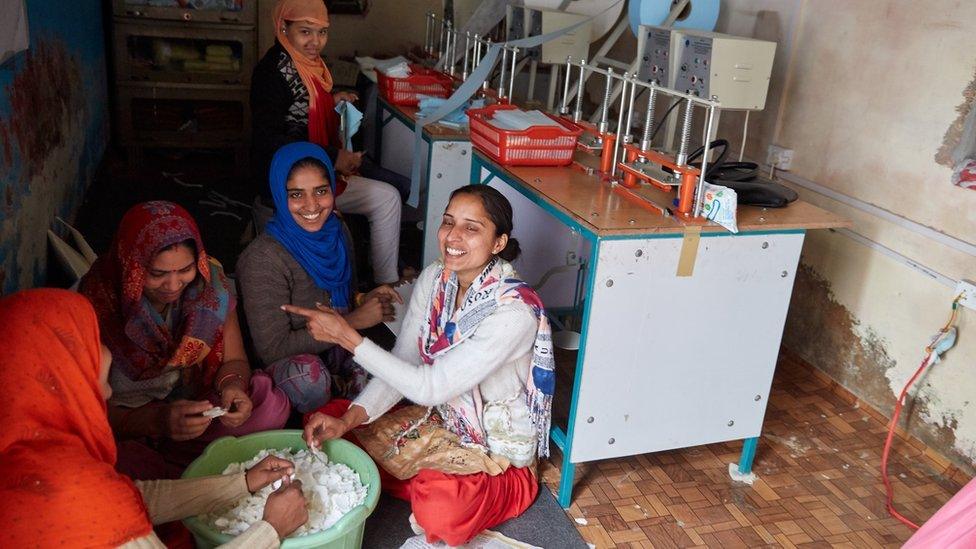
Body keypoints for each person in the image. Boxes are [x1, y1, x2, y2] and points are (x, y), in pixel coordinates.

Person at [289, 185, 555, 546]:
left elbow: (430, 387)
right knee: (328, 422)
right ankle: (421, 480)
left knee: (440, 510)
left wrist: (347, 337)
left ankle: (430, 486)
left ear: (498, 243)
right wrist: (348, 419)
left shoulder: (513, 311)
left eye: (471, 228)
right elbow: (405, 362)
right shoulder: (437, 277)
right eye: (448, 222)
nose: (453, 237)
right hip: (442, 419)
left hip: (497, 456)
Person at [0, 288, 308, 548]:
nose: (104, 351)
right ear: (57, 372)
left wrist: (242, 484)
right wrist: (272, 529)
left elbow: (133, 496)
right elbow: (110, 502)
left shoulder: (33, 453)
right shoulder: (82, 497)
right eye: (87, 342)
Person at [79, 201, 290, 479]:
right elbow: (83, 413)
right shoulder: (95, 305)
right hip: (129, 426)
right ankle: (184, 471)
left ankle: (183, 470)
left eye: (186, 270)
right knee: (115, 465)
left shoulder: (211, 287)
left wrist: (232, 389)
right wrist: (159, 421)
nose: (174, 285)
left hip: (195, 414)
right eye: (157, 274)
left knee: (270, 406)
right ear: (131, 265)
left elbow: (235, 360)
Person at [237, 142, 402, 413]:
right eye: (296, 194)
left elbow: (344, 295)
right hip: (292, 363)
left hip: (336, 349)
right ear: (279, 195)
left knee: (398, 359)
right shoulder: (263, 258)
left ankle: (346, 411)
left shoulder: (336, 232)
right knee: (309, 379)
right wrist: (354, 320)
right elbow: (273, 349)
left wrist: (364, 298)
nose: (312, 205)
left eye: (321, 191)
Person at [250, 0, 406, 285]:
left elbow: (300, 109)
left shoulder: (308, 67)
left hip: (319, 171)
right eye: (305, 31)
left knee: (389, 196)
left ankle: (385, 283)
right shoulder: (272, 73)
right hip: (286, 184)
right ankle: (379, 282)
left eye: (322, 32)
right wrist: (333, 156)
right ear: (283, 26)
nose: (315, 42)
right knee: (386, 197)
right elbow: (270, 139)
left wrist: (331, 102)